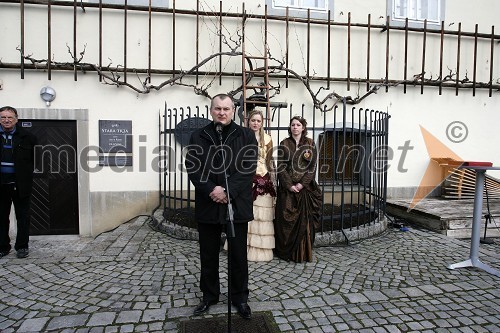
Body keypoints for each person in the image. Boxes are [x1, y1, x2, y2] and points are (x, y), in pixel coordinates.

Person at [185, 94, 258, 319]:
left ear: (233, 110)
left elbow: (248, 168)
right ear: (211, 110)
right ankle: (209, 296)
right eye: (218, 108)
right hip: (209, 204)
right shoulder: (199, 135)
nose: (222, 113)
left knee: (238, 255)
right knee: (208, 255)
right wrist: (211, 190)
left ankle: (240, 298)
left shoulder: (246, 135)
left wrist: (227, 191)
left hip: (236, 204)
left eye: (226, 108)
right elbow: (193, 167)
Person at [274, 116, 322, 263]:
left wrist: (302, 184)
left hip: (305, 189)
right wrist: (289, 185)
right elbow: (281, 166)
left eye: (298, 125)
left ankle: (302, 253)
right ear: (290, 127)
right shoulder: (284, 143)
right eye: (293, 124)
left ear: (303, 128)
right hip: (288, 189)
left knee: (304, 222)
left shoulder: (310, 143)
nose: (295, 127)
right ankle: (286, 252)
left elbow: (312, 166)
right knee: (286, 221)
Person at [0, 106, 38, 259]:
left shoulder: (27, 137)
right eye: (3, 117)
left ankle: (22, 246)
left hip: (20, 184)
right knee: (1, 217)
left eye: (10, 117)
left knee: (23, 216)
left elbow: (34, 159)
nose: (6, 120)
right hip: (1, 184)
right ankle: (3, 246)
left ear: (16, 119)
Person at [246, 110, 276, 262]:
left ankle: (261, 249)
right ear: (249, 121)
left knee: (262, 215)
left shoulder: (268, 139)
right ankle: (246, 246)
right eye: (253, 120)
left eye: (258, 121)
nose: (255, 123)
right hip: (247, 177)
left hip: (264, 177)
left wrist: (270, 179)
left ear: (262, 123)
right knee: (249, 213)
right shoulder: (243, 136)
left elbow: (270, 161)